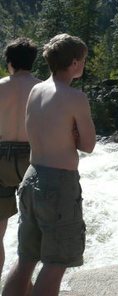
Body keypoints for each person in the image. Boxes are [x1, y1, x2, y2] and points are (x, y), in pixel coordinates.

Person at [2, 34, 96, 296]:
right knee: (55, 264)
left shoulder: (36, 90)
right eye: (84, 60)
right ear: (75, 63)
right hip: (59, 184)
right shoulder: (75, 97)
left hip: (31, 178)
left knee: (26, 259)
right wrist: (74, 134)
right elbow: (88, 144)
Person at [0, 38, 40, 281]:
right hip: (32, 158)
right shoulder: (43, 88)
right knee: (33, 225)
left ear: (9, 62)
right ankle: (25, 282)